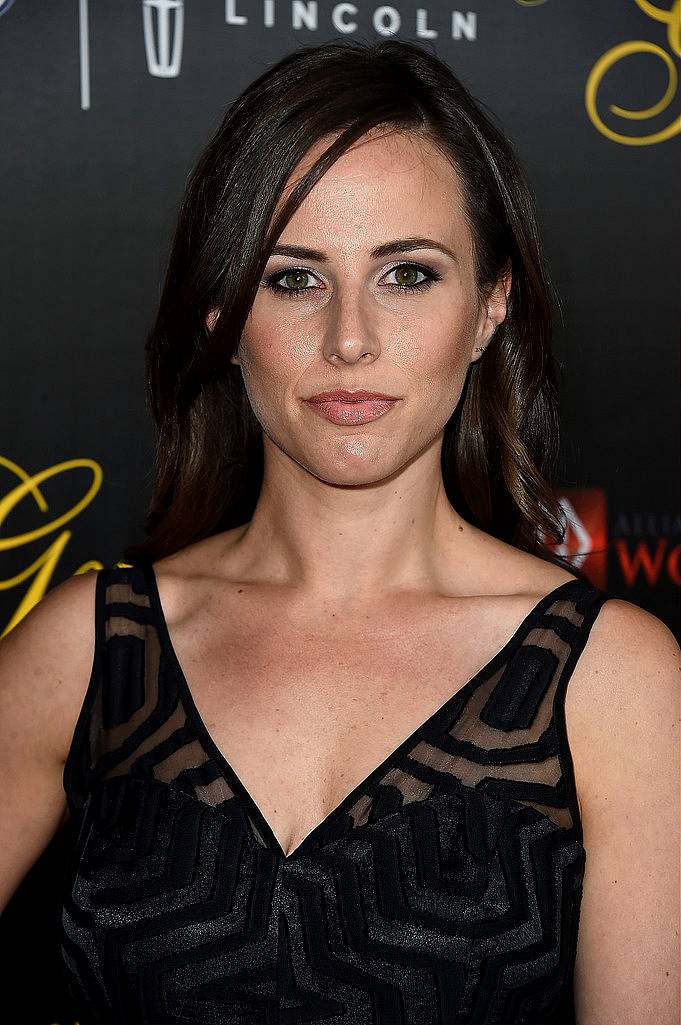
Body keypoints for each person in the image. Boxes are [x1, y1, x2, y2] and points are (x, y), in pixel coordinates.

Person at [0, 37, 678, 1025]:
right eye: (294, 277)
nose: (349, 337)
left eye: (408, 274)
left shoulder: (615, 678)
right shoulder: (87, 647)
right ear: (224, 314)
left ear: (490, 307)